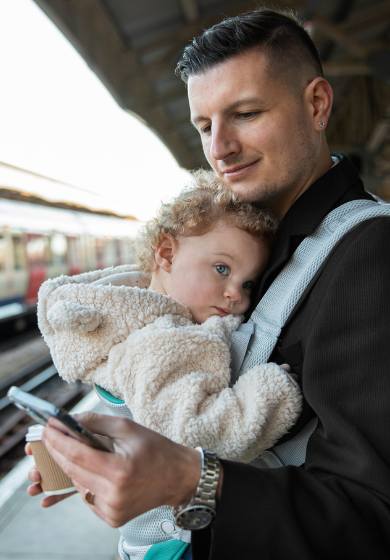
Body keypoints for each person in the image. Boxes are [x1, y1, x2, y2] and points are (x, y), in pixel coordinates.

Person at [28, 9, 390, 560]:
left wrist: (185, 479)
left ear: (317, 104)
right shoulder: (259, 243)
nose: (220, 148)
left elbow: (380, 526)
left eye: (246, 114)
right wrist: (112, 456)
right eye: (204, 126)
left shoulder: (379, 251)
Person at [36, 172, 302, 557]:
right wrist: (272, 391)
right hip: (179, 543)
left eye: (248, 284)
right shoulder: (164, 340)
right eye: (222, 269)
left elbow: (151, 419)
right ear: (166, 254)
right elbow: (201, 435)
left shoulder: (127, 317)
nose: (236, 295)